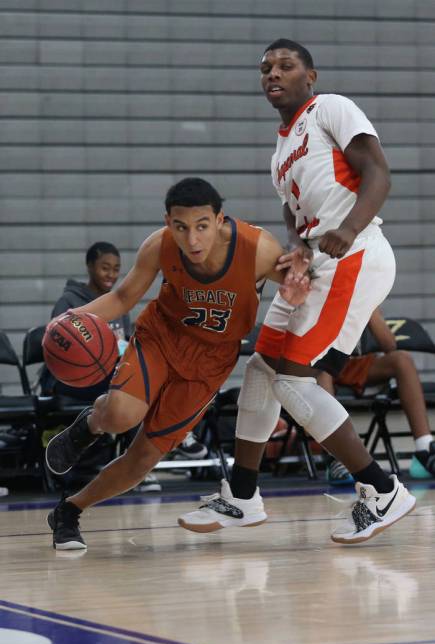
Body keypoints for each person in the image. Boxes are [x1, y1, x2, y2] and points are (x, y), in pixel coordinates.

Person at [178, 39, 416, 544]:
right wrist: (298, 250)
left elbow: (378, 171)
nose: (273, 74)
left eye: (285, 66)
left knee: (295, 380)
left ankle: (382, 490)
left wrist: (347, 229)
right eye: (265, 68)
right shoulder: (280, 152)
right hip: (320, 265)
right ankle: (242, 496)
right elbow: (294, 216)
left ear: (310, 75)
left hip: (357, 254)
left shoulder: (331, 107)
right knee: (262, 369)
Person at [45, 177, 309, 550]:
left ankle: (69, 510)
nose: (192, 239)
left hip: (210, 362)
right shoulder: (160, 245)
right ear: (168, 221)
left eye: (202, 226)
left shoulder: (258, 249)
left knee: (141, 461)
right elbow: (122, 297)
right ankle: (88, 425)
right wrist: (70, 319)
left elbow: (296, 288)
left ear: (219, 219)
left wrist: (296, 294)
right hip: (161, 338)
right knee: (122, 415)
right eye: (181, 227)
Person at [318, 308, 435, 482]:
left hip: (354, 364)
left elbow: (389, 345)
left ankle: (424, 448)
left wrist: (371, 308)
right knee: (322, 368)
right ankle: (335, 455)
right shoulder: (317, 288)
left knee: (402, 359)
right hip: (319, 360)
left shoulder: (366, 287)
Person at [40, 241, 131, 401]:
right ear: (90, 266)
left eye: (116, 269)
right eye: (105, 268)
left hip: (108, 375)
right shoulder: (69, 301)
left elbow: (125, 346)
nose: (111, 274)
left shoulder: (118, 305)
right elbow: (55, 345)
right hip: (72, 376)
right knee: (119, 387)